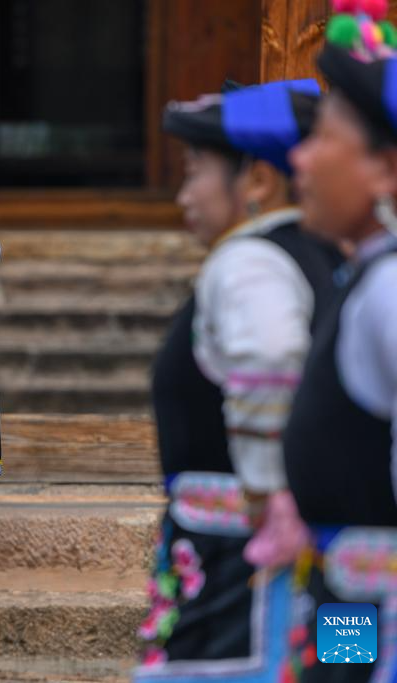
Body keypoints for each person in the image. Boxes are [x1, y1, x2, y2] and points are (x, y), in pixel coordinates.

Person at [134, 80, 343, 681]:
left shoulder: (248, 261)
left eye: (195, 171)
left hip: (241, 567)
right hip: (335, 566)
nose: (184, 195)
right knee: (342, 668)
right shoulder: (333, 258)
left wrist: (268, 491)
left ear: (258, 180)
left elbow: (271, 356)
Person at [280, 19, 397, 683]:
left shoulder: (389, 293)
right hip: (349, 606)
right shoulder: (365, 277)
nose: (299, 158)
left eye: (324, 137)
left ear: (386, 168)